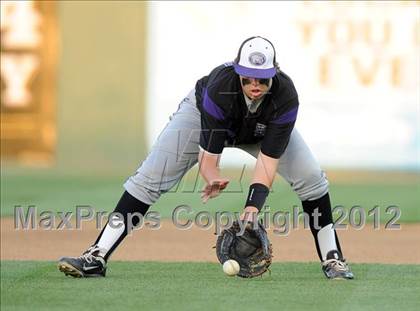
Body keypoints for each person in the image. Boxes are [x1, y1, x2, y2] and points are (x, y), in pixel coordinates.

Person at [58, 36, 354, 280]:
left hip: (260, 131)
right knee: (149, 179)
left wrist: (251, 210)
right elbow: (209, 157)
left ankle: (333, 260)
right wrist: (211, 176)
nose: (255, 85)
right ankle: (96, 257)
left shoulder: (285, 97)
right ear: (238, 72)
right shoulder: (221, 89)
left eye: (262, 80)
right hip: (200, 115)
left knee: (312, 179)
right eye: (248, 78)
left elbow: (267, 163)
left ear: (273, 75)